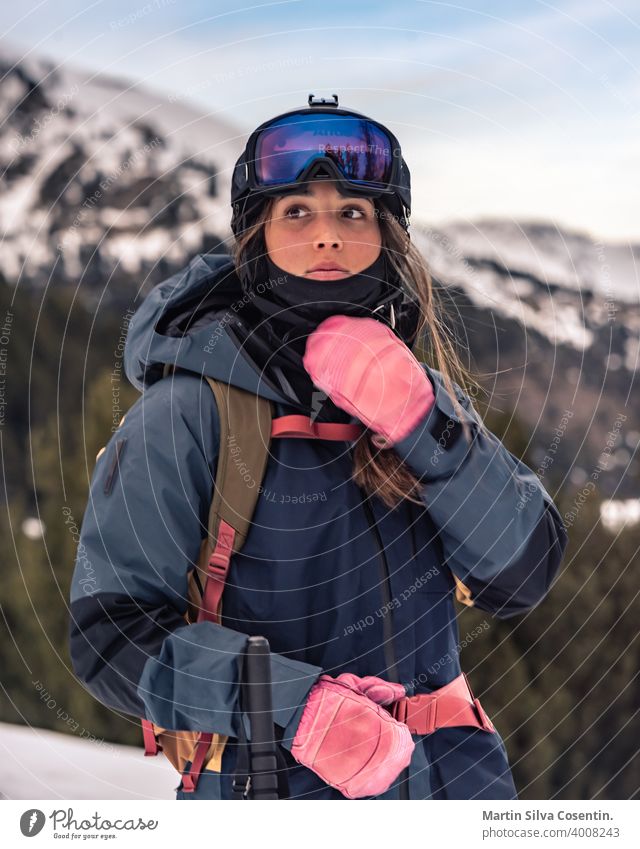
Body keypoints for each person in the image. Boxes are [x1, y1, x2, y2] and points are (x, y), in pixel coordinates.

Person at [68, 95, 569, 800]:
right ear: (257, 239)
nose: (327, 234)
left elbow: (523, 575)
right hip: (272, 791)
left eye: (353, 212)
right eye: (296, 211)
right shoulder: (189, 409)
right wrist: (291, 707)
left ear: (387, 236)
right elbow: (108, 635)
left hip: (458, 786)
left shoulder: (419, 395)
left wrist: (428, 428)